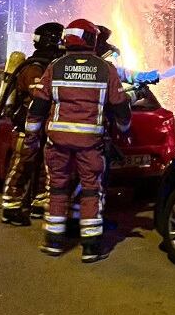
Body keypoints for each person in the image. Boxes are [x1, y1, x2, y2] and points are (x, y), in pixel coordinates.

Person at [24, 19, 140, 262]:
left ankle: (53, 242)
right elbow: (120, 107)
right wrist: (125, 129)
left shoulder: (55, 67)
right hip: (90, 144)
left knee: (56, 189)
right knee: (90, 191)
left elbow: (38, 106)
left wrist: (32, 138)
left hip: (57, 143)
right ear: (91, 39)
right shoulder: (104, 69)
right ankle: (90, 246)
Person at [1, 22, 64, 226]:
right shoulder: (34, 67)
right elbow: (39, 94)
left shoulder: (52, 66)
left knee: (45, 169)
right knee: (22, 165)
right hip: (27, 127)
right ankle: (10, 208)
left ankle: (38, 204)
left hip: (46, 127)